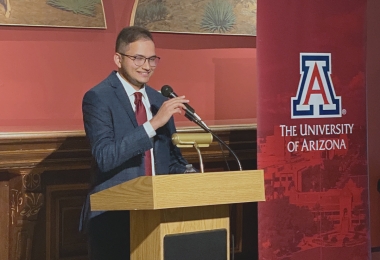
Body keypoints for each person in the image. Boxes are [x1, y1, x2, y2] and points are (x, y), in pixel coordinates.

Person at [80, 26, 190, 260]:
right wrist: (153, 124)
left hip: (158, 215)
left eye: (152, 59)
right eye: (138, 58)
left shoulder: (160, 99)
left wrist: (193, 175)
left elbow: (169, 161)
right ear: (118, 59)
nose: (146, 66)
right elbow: (105, 156)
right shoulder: (98, 98)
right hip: (113, 217)